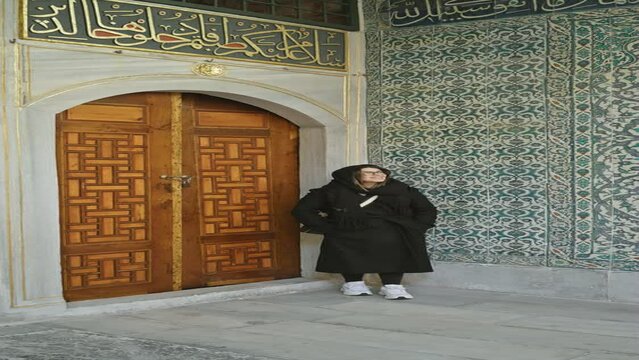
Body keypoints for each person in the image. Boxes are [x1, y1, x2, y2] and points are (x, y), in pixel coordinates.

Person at [292, 164, 437, 300]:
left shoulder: (400, 189)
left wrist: (416, 227)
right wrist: (327, 227)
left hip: (391, 232)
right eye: (370, 172)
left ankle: (392, 286)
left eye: (380, 172)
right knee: (349, 254)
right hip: (348, 232)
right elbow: (303, 210)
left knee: (392, 253)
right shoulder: (335, 189)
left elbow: (427, 209)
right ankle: (353, 283)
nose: (377, 175)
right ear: (355, 175)